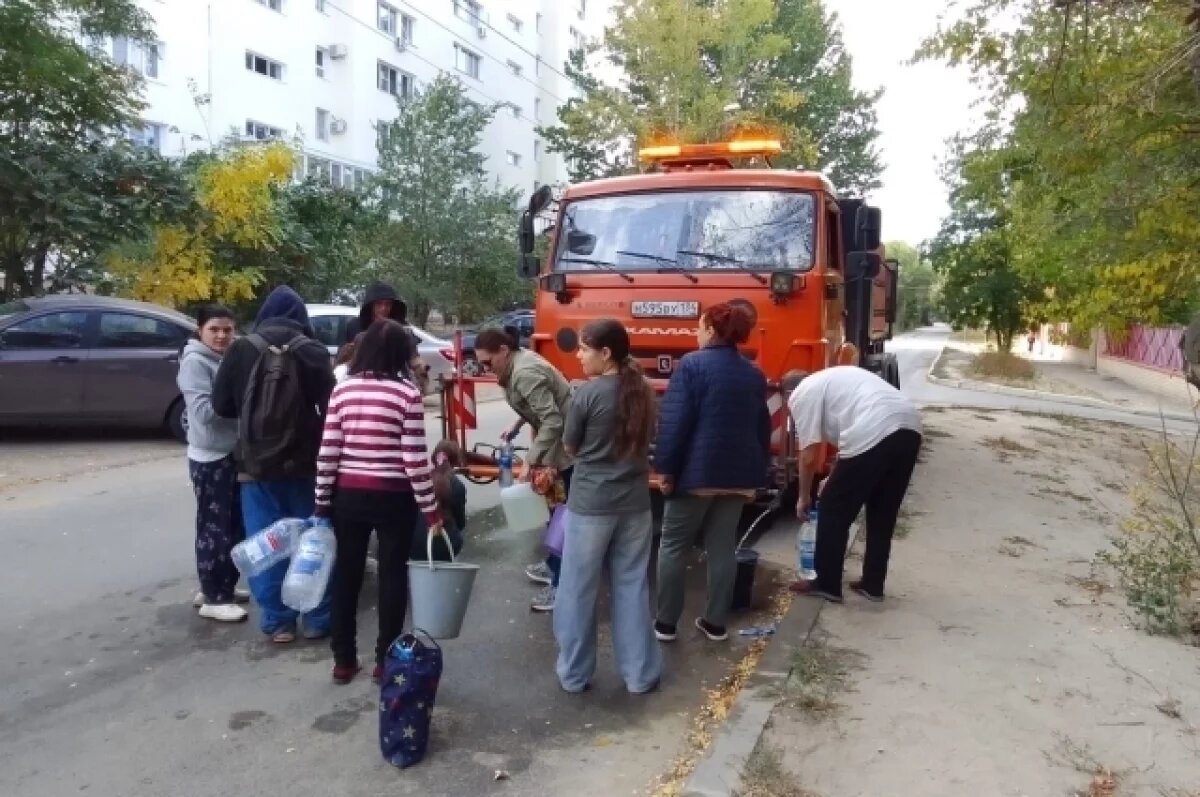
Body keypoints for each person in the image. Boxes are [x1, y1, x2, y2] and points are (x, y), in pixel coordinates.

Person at [314, 319, 443, 684]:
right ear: (401, 355)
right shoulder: (406, 394)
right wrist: (431, 510)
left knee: (347, 575)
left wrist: (322, 501)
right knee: (392, 575)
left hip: (348, 498)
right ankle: (386, 660)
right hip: (394, 499)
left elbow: (329, 452)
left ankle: (343, 660)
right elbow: (415, 460)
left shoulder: (343, 390)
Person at [212, 285, 336, 644]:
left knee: (266, 544)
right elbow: (331, 409)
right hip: (305, 465)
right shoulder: (311, 350)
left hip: (255, 467)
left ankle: (278, 623)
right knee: (314, 543)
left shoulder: (241, 348)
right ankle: (316, 618)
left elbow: (221, 407)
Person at [554, 319, 661, 694]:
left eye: (584, 349)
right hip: (635, 504)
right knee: (632, 587)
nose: (579, 355)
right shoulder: (644, 391)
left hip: (590, 506)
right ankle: (640, 676)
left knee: (577, 590)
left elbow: (570, 446)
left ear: (605, 353)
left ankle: (574, 674)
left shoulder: (587, 393)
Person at [653, 302, 771, 643]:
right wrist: (756, 473)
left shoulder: (691, 365)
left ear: (712, 329)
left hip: (696, 476)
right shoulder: (753, 373)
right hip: (738, 477)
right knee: (722, 547)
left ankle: (666, 624)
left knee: (674, 545)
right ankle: (715, 623)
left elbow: (675, 423)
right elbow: (761, 428)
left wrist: (665, 469)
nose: (696, 331)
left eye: (700, 325)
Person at [783, 365, 923, 603]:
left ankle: (827, 584)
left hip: (876, 426)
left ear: (788, 393)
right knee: (882, 511)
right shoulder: (832, 381)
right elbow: (851, 445)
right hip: (910, 426)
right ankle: (873, 584)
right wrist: (832, 477)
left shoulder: (802, 394)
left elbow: (807, 456)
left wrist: (803, 496)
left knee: (831, 508)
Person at [474, 326, 572, 612]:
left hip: (566, 448)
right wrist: (517, 425)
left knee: (561, 519)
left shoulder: (525, 372)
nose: (485, 368)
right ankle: (554, 567)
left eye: (487, 362)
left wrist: (530, 460)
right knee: (554, 513)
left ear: (503, 351)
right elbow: (537, 408)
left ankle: (561, 585)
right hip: (557, 444)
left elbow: (552, 420)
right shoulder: (517, 364)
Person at [177, 305, 250, 622]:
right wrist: (247, 404)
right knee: (214, 529)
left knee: (234, 525)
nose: (221, 336)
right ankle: (213, 597)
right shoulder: (195, 362)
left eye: (227, 330)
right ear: (200, 329)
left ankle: (222, 586)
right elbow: (206, 412)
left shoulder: (228, 358)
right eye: (214, 329)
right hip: (210, 458)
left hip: (230, 455)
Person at [343, 280, 430, 394]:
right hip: (363, 383)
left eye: (387, 304)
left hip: (395, 383)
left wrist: (421, 373)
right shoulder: (355, 327)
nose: (384, 308)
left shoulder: (402, 329)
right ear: (371, 305)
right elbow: (346, 360)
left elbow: (413, 358)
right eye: (379, 304)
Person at [409, 440, 469, 563]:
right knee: (455, 538)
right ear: (455, 461)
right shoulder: (457, 485)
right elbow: (461, 523)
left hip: (414, 546)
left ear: (433, 458)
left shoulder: (420, 481)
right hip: (447, 546)